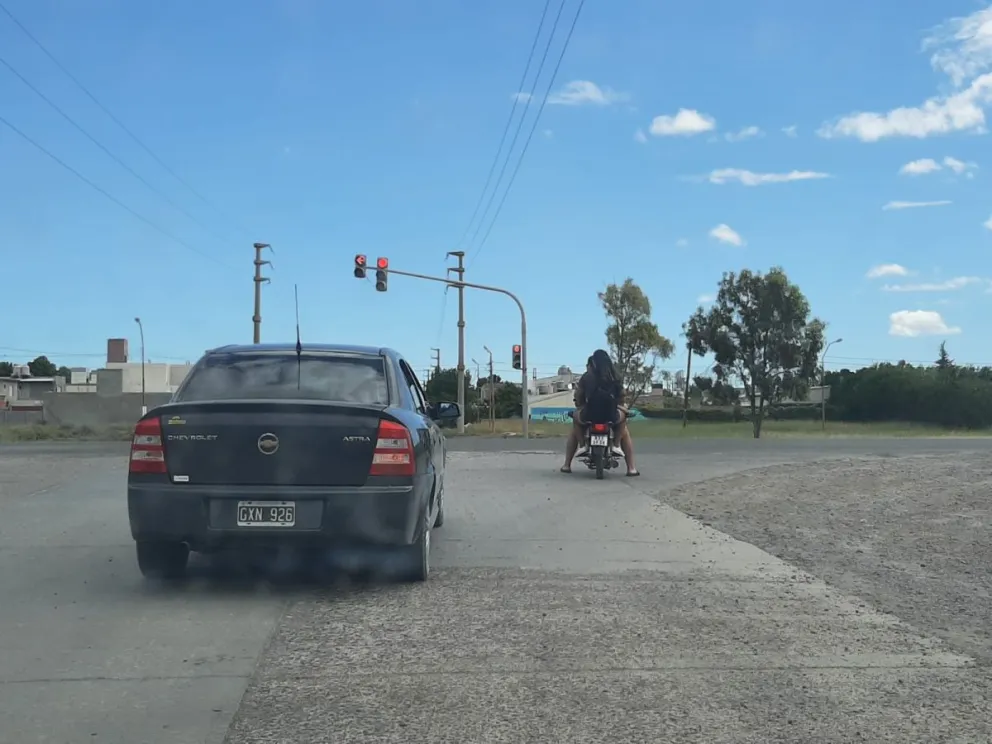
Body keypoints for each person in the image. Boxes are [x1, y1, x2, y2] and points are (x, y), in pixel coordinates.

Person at [560, 349, 639, 476]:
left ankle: (572, 458)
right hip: (611, 415)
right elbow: (622, 395)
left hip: (589, 414)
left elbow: (579, 395)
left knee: (575, 421)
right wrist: (620, 406)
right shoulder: (615, 376)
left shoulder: (587, 376)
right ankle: (627, 462)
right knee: (624, 425)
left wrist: (580, 405)